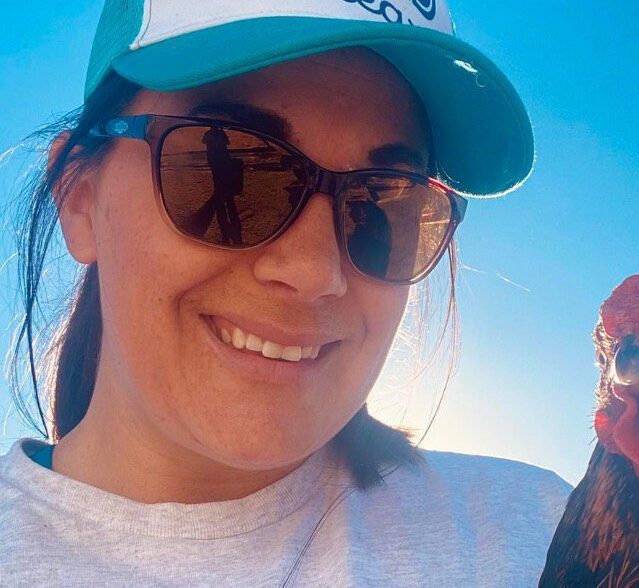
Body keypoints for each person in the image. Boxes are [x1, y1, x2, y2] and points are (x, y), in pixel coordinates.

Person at [0, 1, 571, 586]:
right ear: (79, 199)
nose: (314, 271)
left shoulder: (543, 540)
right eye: (229, 170)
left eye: (384, 206)